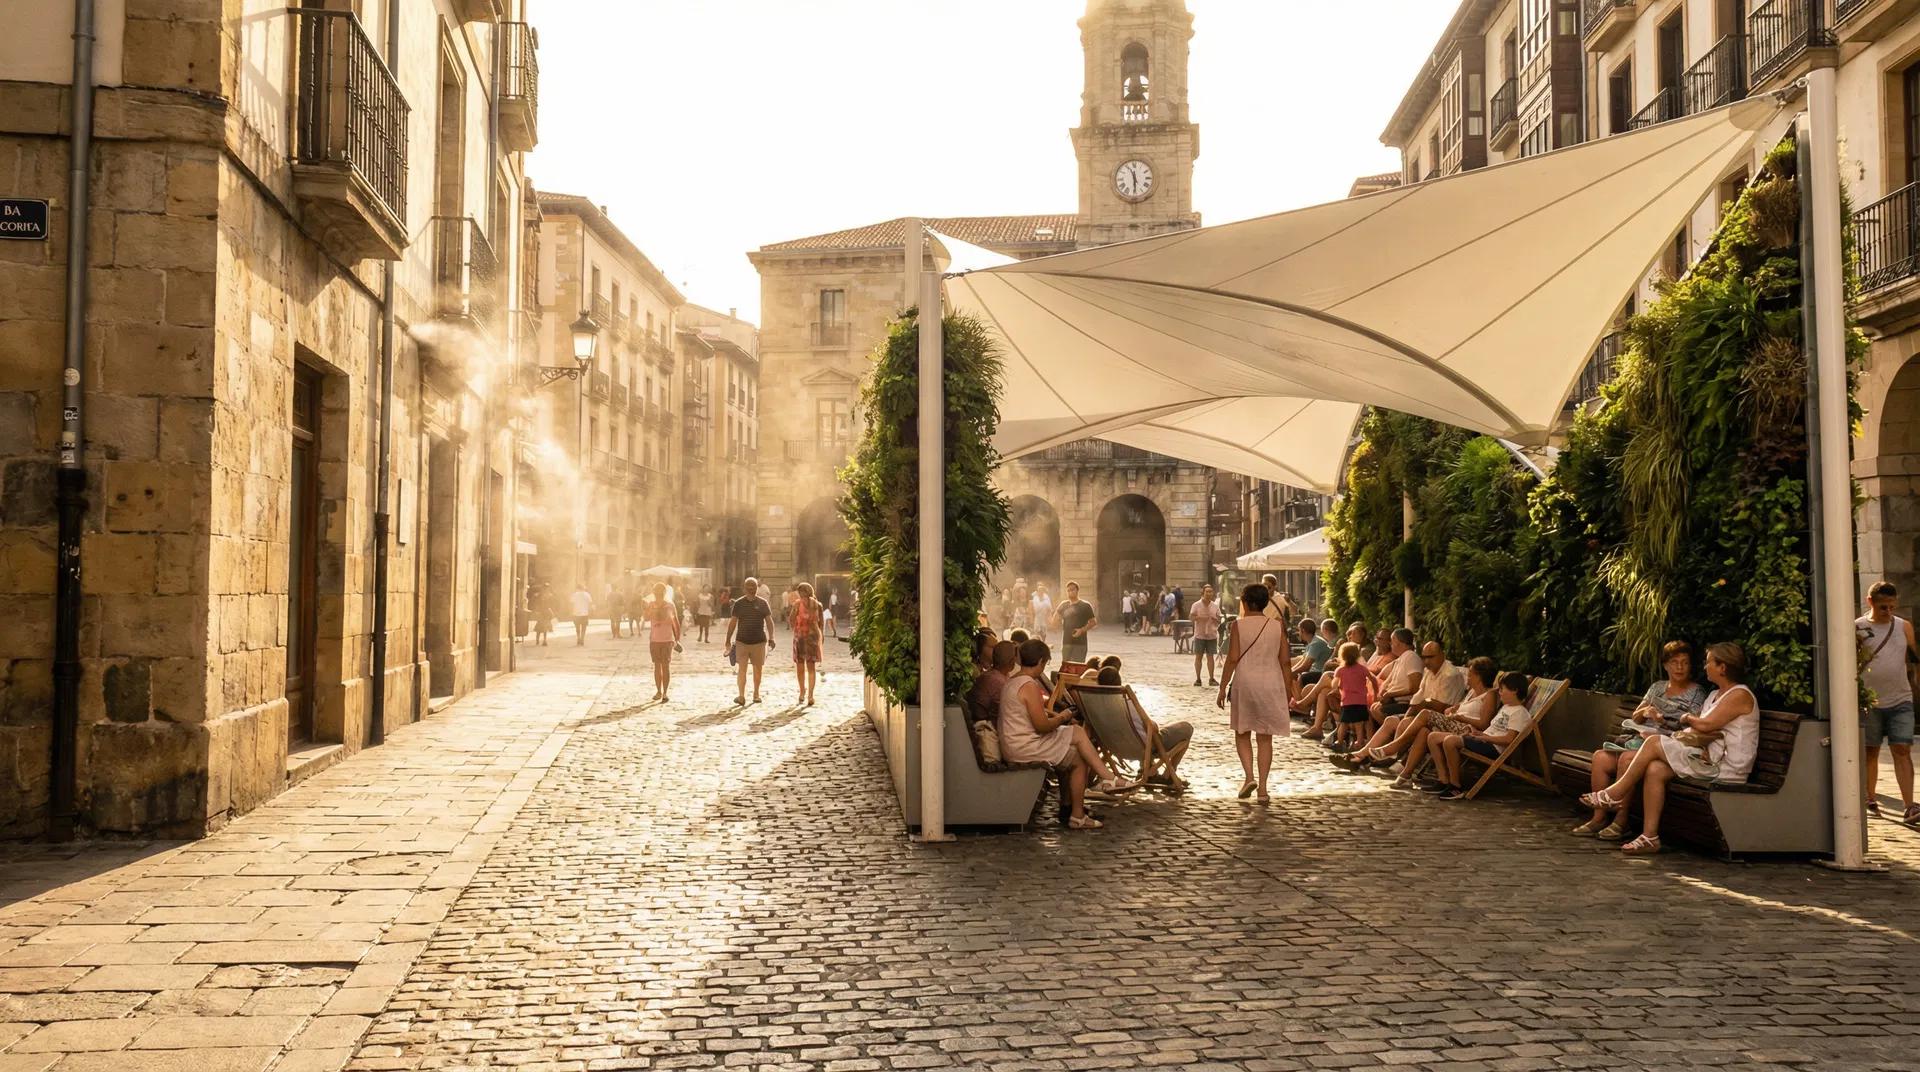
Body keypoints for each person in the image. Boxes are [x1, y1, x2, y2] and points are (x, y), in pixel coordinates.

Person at [1581, 643, 1760, 854]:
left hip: (1726, 768)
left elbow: (1705, 724)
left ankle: (1616, 792)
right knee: (1655, 769)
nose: (1704, 667)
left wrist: (1686, 717)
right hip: (1707, 760)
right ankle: (1650, 837)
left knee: (1654, 743)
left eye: (1709, 662)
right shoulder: (1714, 695)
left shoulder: (1740, 695)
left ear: (1722, 667)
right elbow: (1700, 729)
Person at [1574, 640, 1707, 839]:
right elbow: (1635, 716)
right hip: (1639, 739)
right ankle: (1599, 817)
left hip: (1664, 746)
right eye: (1674, 662)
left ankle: (1621, 821)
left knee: (1627, 758)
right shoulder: (1657, 688)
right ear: (1665, 665)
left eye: (1685, 662)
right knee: (1600, 758)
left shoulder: (1697, 693)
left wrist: (1665, 725)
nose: (1679, 667)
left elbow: (1692, 727)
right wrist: (1647, 711)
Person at [999, 639, 1134, 830]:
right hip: (1023, 747)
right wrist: (1063, 717)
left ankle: (1075, 812)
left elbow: (1028, 716)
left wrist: (1056, 717)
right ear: (1040, 662)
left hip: (1016, 743)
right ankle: (1105, 780)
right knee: (1077, 734)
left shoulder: (1013, 681)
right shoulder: (1028, 685)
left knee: (1077, 756)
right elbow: (1042, 726)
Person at [1216, 583, 1296, 804]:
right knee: (1265, 736)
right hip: (1271, 681)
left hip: (1245, 681)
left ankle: (1249, 777)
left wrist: (1222, 687)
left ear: (1244, 602)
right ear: (1264, 603)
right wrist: (1288, 690)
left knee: (1242, 732)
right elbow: (1286, 661)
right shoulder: (1276, 626)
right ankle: (1262, 789)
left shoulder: (1238, 626)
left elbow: (1232, 658)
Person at [1337, 642, 1465, 774]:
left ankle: (1393, 757)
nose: (1426, 661)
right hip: (1423, 713)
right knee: (1392, 721)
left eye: (1430, 657)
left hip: (1439, 718)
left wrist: (1416, 709)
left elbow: (1440, 707)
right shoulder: (1428, 671)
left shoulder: (1449, 675)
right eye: (1424, 657)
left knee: (1404, 722)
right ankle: (1362, 754)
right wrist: (1411, 712)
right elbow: (1419, 696)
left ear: (1441, 655)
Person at [1857, 581, 1919, 823]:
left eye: (1892, 606)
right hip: (1869, 701)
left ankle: (1909, 805)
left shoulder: (1904, 627)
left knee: (1902, 749)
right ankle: (1869, 799)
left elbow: (1913, 659)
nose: (1888, 611)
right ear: (1870, 602)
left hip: (1900, 697)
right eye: (1883, 607)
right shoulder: (1859, 628)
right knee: (1870, 751)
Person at [1426, 671, 1533, 801]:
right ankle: (1443, 780)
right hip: (1484, 741)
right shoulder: (1506, 707)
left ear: (1514, 690)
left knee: (1450, 741)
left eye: (1502, 689)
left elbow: (1509, 739)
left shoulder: (1520, 712)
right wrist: (1478, 734)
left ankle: (1455, 787)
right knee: (1433, 737)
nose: (1499, 693)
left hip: (1494, 748)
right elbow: (1493, 730)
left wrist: (1484, 738)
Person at [1095, 664, 1195, 791]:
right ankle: (1167, 775)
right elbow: (1151, 727)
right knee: (1186, 728)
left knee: (1140, 734)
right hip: (1144, 747)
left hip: (1116, 747)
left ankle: (1148, 769)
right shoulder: (1126, 701)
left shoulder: (1096, 706)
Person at [725, 577, 775, 706]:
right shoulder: (739, 603)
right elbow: (733, 622)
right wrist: (728, 640)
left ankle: (756, 694)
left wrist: (771, 638)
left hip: (759, 641)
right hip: (742, 641)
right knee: (742, 669)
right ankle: (741, 696)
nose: (751, 588)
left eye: (753, 586)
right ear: (744, 587)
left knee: (758, 669)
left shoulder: (763, 603)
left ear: (757, 587)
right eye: (748, 586)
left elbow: (769, 621)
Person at [1328, 641, 1381, 754]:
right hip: (1361, 701)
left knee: (1344, 723)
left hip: (1347, 701)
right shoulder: (1362, 669)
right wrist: (1376, 693)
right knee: (1359, 722)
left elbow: (1334, 684)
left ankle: (1340, 742)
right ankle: (1360, 742)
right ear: (1357, 655)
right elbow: (1373, 679)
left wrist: (1338, 687)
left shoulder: (1340, 670)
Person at [1369, 627, 1424, 726]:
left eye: (1392, 642)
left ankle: (1390, 736)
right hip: (1393, 700)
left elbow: (1415, 687)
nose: (1391, 645)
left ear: (1399, 642)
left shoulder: (1411, 657)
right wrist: (1383, 694)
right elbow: (1388, 681)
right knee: (1372, 708)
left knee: (1377, 710)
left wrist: (1390, 694)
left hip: (1405, 703)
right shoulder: (1400, 659)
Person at [642, 583, 680, 700]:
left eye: (660, 593)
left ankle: (664, 692)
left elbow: (676, 622)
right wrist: (651, 610)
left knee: (665, 666)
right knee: (658, 666)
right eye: (657, 593)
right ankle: (659, 691)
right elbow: (646, 618)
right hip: (655, 639)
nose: (658, 595)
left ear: (664, 593)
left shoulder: (670, 605)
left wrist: (677, 638)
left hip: (667, 640)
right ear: (654, 593)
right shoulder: (651, 605)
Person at [790, 581, 824, 706]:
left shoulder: (797, 604)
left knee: (800, 666)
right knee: (811, 667)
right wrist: (821, 636)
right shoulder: (817, 605)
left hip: (800, 637)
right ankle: (810, 695)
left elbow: (791, 619)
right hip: (813, 637)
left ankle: (803, 692)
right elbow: (821, 623)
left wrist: (798, 626)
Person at [969, 640, 1017, 723]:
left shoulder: (994, 675)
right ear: (1012, 662)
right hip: (986, 727)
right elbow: (1004, 714)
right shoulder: (997, 681)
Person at [1053, 581, 1097, 665]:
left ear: (1077, 590)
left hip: (1080, 643)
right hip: (1066, 642)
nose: (1070, 592)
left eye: (1072, 590)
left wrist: (1081, 630)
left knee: (1078, 667)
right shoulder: (1064, 605)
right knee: (1066, 667)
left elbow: (1093, 622)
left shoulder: (1085, 605)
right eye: (1068, 590)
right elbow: (1055, 619)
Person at [1190, 583, 1223, 687]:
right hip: (1199, 634)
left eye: (1210, 591)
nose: (1209, 593)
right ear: (1203, 593)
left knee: (1210, 657)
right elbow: (1191, 617)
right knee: (1198, 657)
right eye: (1207, 592)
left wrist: (1215, 619)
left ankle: (1211, 678)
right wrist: (1199, 618)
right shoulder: (1196, 605)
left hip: (1211, 634)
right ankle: (1198, 678)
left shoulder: (1215, 606)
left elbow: (1219, 620)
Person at [1292, 617, 1332, 685]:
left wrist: (1291, 673)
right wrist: (1291, 671)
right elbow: (1302, 661)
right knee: (1293, 675)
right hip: (1315, 672)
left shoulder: (1316, 644)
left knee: (1297, 677)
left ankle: (1297, 695)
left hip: (1320, 673)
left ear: (1303, 630)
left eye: (1299, 630)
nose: (1299, 633)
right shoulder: (1312, 642)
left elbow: (1306, 666)